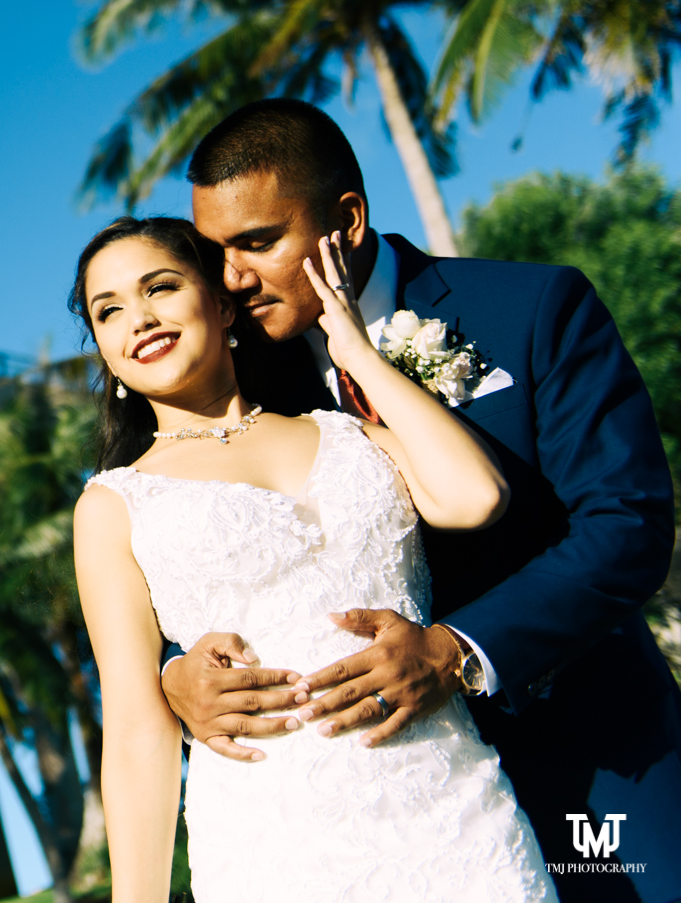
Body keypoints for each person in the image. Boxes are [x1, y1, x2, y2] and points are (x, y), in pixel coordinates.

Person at [166, 98, 678, 902]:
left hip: (591, 759)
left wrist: (458, 647)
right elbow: (199, 545)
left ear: (348, 219)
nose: (231, 277)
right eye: (215, 250)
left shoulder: (533, 309)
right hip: (387, 812)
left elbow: (629, 522)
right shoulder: (250, 385)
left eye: (258, 242)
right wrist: (176, 674)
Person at [74, 215, 555, 901]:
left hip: (458, 814)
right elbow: (133, 730)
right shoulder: (113, 504)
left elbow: (476, 495)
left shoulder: (348, 431)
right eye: (109, 310)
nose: (139, 318)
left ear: (222, 300)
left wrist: (357, 351)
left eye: (161, 287)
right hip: (275, 842)